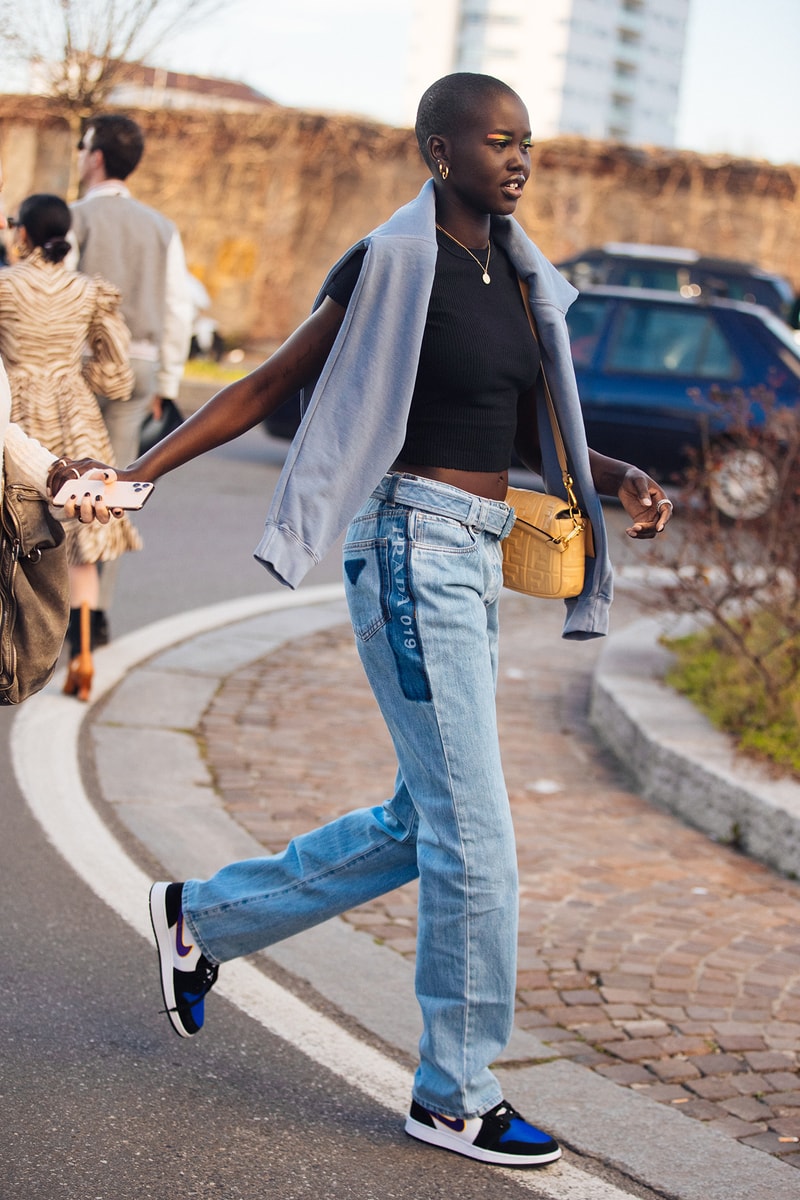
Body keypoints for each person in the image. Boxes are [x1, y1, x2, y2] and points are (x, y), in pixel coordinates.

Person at [54, 74, 674, 1167]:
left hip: (476, 557)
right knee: (477, 836)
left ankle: (203, 920)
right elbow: (270, 379)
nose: (517, 157)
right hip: (409, 550)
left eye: (526, 141)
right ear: (439, 150)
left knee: (423, 821)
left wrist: (614, 474)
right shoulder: (396, 261)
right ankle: (454, 1092)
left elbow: (528, 422)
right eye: (496, 140)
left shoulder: (516, 275)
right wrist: (144, 468)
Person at [0, 194, 142, 700]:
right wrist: (75, 373)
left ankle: (17, 649)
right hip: (73, 411)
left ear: (23, 234)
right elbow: (117, 372)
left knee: (12, 532)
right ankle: (82, 657)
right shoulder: (89, 292)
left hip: (14, 405)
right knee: (81, 540)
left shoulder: (5, 286)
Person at [69, 114, 193, 642]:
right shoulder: (162, 227)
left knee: (60, 481)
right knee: (113, 487)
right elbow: (177, 307)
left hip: (77, 364)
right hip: (139, 367)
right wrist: (167, 382)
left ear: (95, 156)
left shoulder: (72, 218)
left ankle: (62, 602)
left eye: (80, 147)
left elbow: (60, 292)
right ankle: (97, 612)